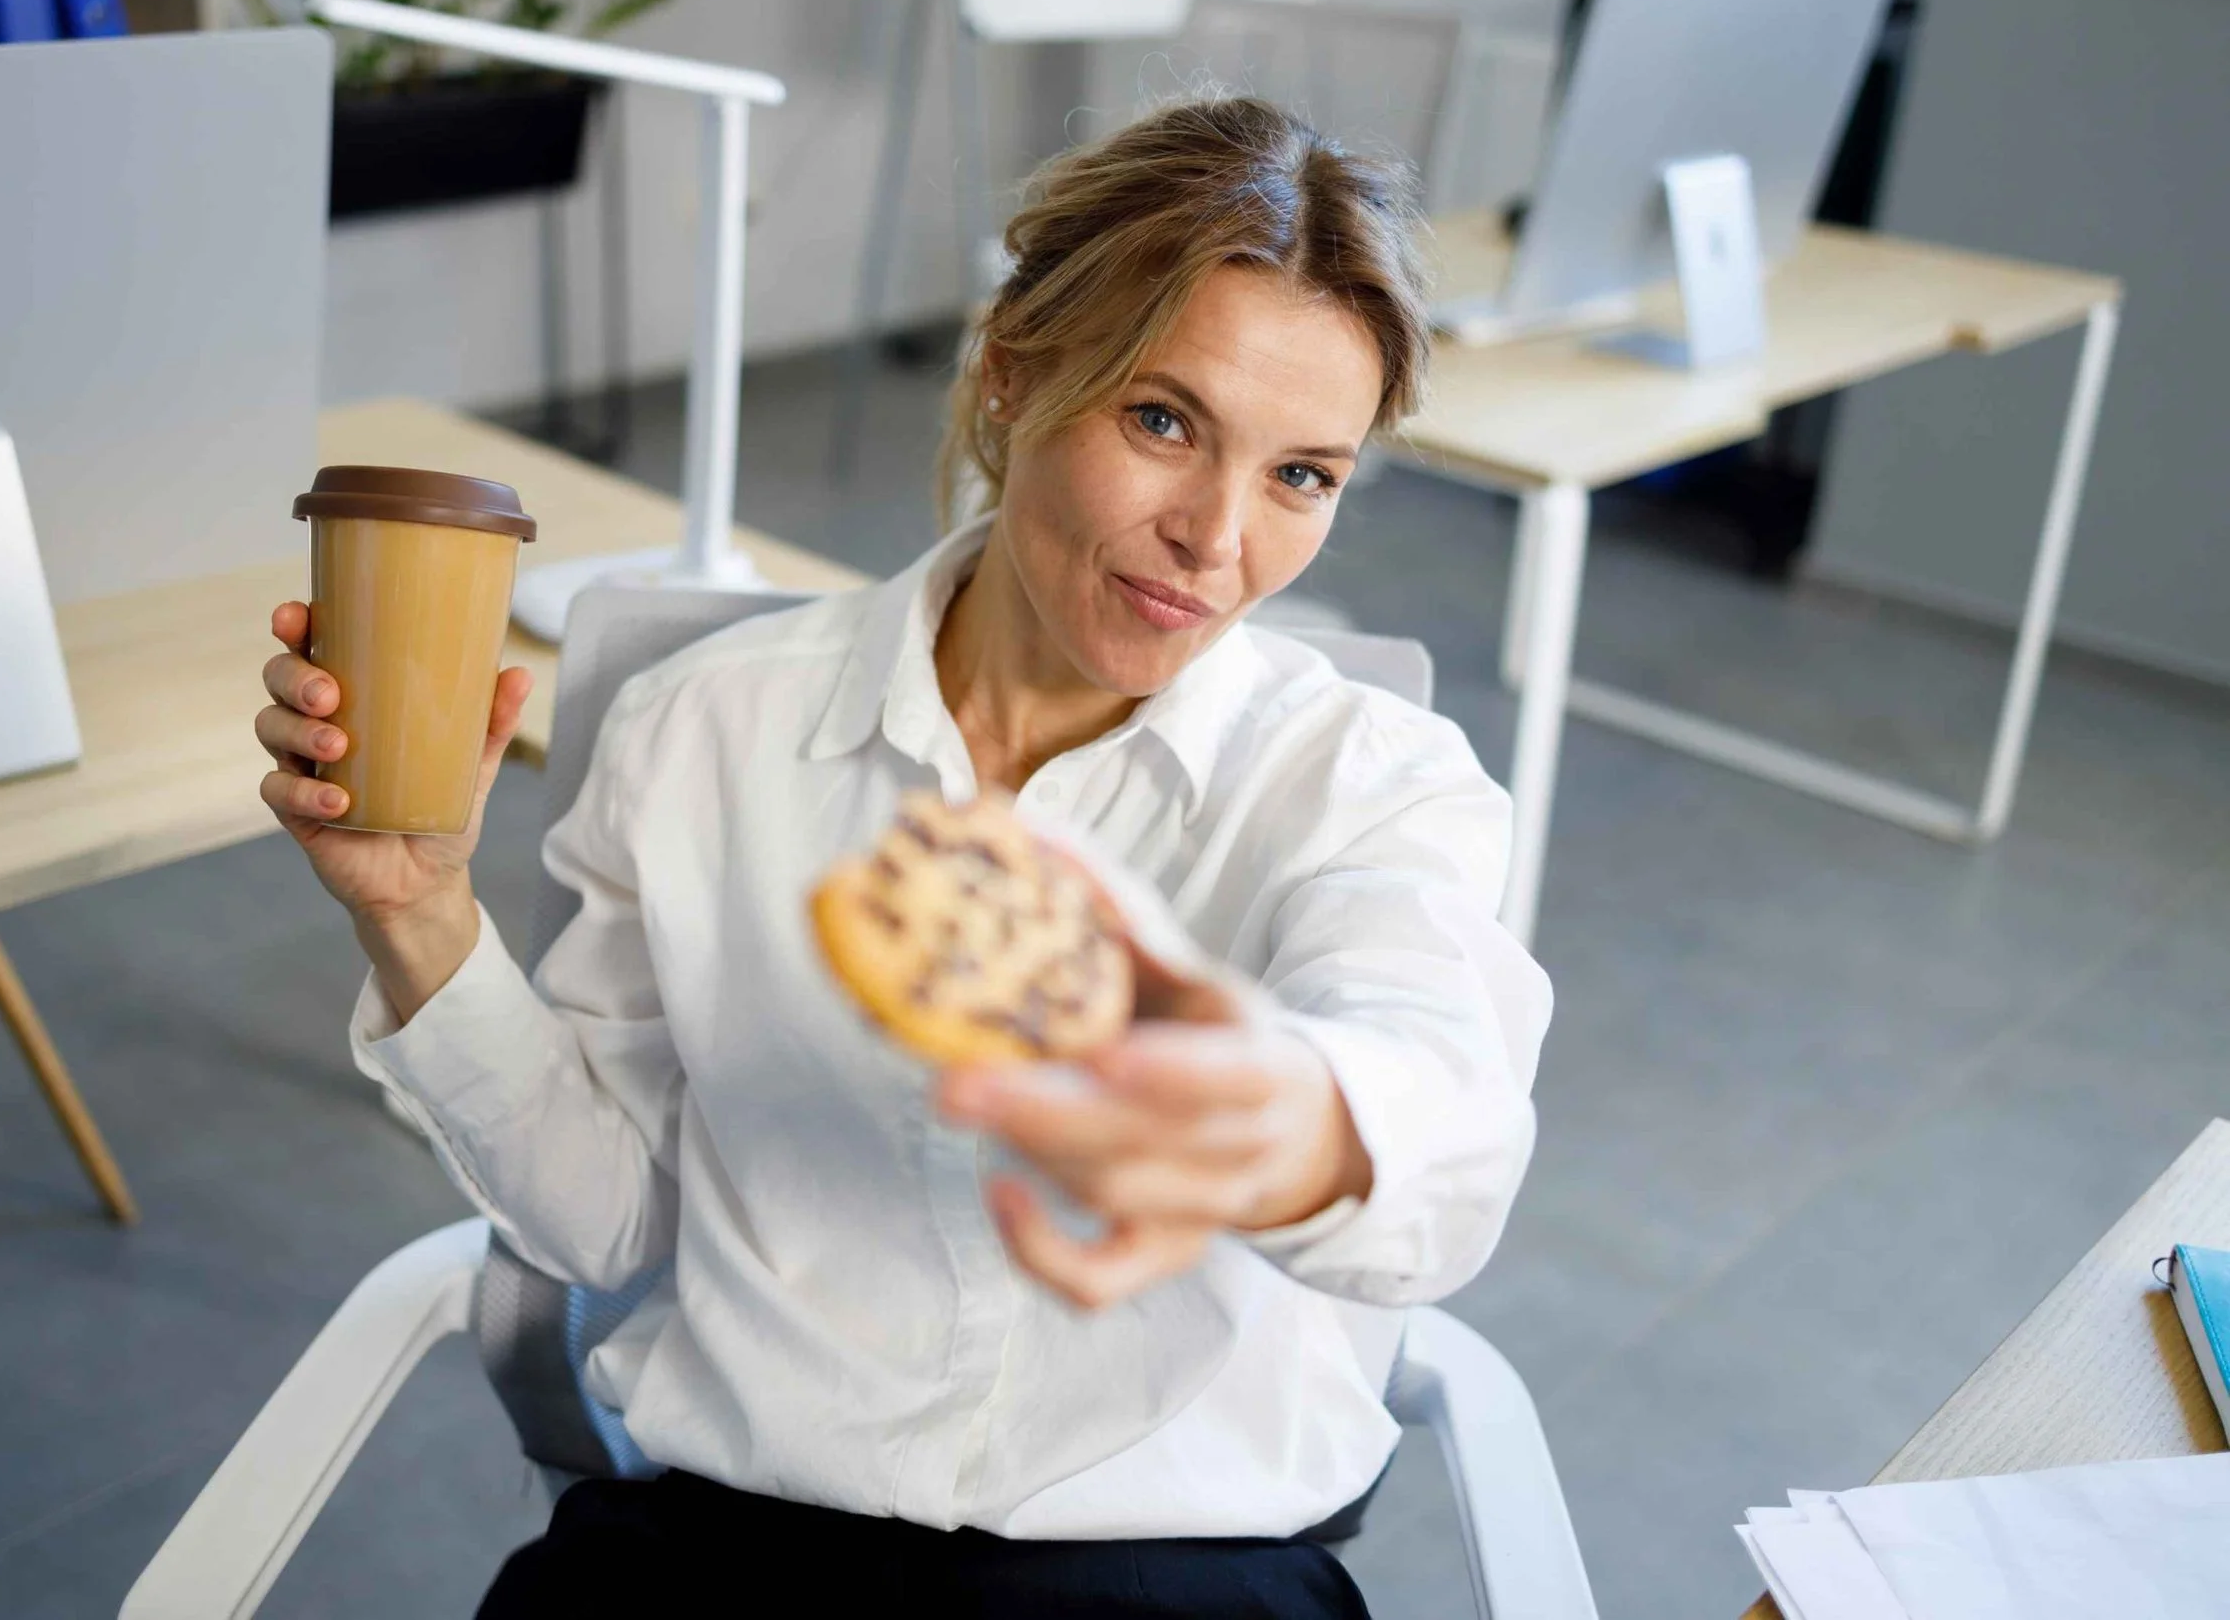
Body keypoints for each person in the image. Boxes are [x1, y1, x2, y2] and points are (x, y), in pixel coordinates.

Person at [255, 96, 1549, 1617]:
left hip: (1175, 1577)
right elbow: (612, 1213)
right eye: (1164, 419)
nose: (1216, 536)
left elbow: (1441, 1115)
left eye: (1302, 476)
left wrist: (1280, 1123)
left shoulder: (1373, 786)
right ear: (1012, 372)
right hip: (731, 1549)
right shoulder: (705, 733)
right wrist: (418, 918)